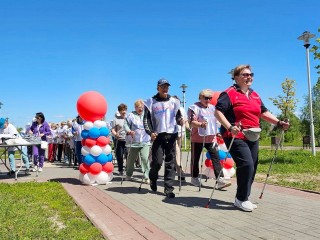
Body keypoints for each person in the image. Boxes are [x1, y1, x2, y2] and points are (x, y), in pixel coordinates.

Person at [214, 64, 290, 212]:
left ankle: (242, 198)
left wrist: (279, 123)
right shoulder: (229, 93)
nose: (249, 77)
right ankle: (241, 199)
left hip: (253, 135)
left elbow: (263, 112)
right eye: (245, 74)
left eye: (251, 74)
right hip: (235, 135)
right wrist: (230, 127)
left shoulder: (254, 94)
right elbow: (218, 112)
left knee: (252, 167)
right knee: (247, 165)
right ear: (236, 77)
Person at [143, 78, 184, 198]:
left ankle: (168, 189)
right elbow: (146, 119)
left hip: (172, 134)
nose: (165, 89)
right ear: (158, 88)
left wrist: (180, 120)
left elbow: (178, 116)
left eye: (167, 87)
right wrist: (150, 132)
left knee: (170, 163)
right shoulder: (150, 102)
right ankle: (153, 178)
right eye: (162, 87)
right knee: (157, 162)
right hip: (158, 136)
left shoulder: (174, 101)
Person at [188, 89, 231, 189]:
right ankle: (194, 178)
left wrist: (218, 133)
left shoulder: (213, 108)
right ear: (200, 98)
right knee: (195, 159)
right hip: (197, 138)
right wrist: (200, 124)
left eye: (210, 98)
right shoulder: (194, 108)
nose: (208, 100)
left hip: (211, 138)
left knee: (216, 157)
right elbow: (191, 122)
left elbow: (216, 122)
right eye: (206, 98)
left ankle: (220, 180)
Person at [124, 99, 151, 183]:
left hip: (145, 141)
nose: (141, 109)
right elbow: (126, 125)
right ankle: (128, 174)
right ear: (135, 107)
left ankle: (147, 177)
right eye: (139, 107)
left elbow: (151, 124)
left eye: (142, 107)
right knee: (131, 159)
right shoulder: (131, 115)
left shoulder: (147, 115)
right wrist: (129, 131)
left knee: (144, 158)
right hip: (134, 141)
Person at [172, 95, 190, 181]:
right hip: (173, 133)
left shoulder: (182, 109)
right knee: (177, 152)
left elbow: (186, 120)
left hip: (181, 133)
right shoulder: (170, 109)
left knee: (177, 151)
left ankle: (176, 169)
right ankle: (180, 172)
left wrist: (188, 129)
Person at [111, 104, 128, 175]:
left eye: (124, 110)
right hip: (119, 139)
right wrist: (115, 134)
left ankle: (128, 169)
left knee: (128, 155)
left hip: (127, 140)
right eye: (121, 110)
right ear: (119, 111)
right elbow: (113, 129)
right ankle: (120, 169)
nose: (123, 111)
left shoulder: (128, 118)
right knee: (119, 155)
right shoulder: (116, 119)